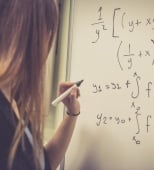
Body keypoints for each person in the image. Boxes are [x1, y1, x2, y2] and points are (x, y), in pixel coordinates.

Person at [0, 0, 80, 170]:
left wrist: (72, 114)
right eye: (47, 32)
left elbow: (43, 163)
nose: (46, 47)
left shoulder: (14, 101)